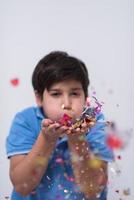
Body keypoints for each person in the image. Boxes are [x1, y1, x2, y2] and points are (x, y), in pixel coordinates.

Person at [6, 51, 114, 200]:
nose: (67, 104)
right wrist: (46, 139)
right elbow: (22, 186)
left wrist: (77, 139)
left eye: (74, 93)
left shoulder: (94, 122)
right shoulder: (26, 121)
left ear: (85, 97)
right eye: (56, 94)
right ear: (39, 98)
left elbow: (93, 192)